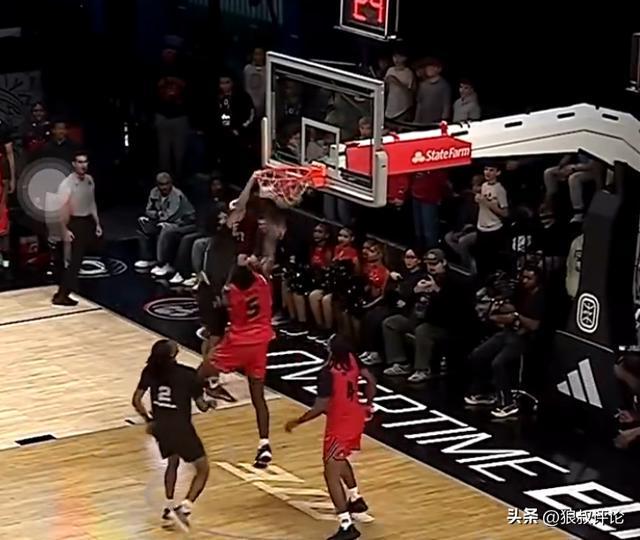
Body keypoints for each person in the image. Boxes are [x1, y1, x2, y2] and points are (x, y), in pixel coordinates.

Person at [285, 334, 376, 540]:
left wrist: (297, 421)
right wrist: (369, 403)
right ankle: (355, 498)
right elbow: (371, 380)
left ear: (331, 351)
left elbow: (320, 407)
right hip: (356, 417)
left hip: (340, 425)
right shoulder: (352, 359)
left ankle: (346, 525)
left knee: (330, 474)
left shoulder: (327, 373)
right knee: (339, 458)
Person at [201, 254, 275, 468]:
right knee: (258, 397)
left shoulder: (233, 293)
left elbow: (225, 309)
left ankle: (192, 401)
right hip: (261, 342)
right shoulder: (261, 282)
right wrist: (251, 265)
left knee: (202, 371)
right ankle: (264, 443)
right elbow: (256, 272)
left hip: (240, 342)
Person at [131, 339, 213, 532]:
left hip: (161, 428)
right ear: (172, 354)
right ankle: (185, 508)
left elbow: (136, 400)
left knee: (172, 462)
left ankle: (169, 507)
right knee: (203, 469)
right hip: (181, 428)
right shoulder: (188, 374)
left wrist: (148, 420)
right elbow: (201, 406)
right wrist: (210, 403)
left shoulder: (150, 371)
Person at [52, 151, 102, 306]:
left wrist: (97, 223)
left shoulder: (89, 180)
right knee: (73, 261)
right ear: (74, 164)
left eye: (85, 162)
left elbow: (91, 202)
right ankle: (62, 295)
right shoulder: (67, 184)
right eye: (80, 162)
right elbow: (61, 208)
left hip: (87, 221)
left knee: (79, 260)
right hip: (73, 223)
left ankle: (66, 290)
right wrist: (65, 230)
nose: (83, 165)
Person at [0, 118, 16, 273]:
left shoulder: (2, 160)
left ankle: (6, 263)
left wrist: (12, 179)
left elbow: (10, 154)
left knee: (4, 228)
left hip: (0, 196)